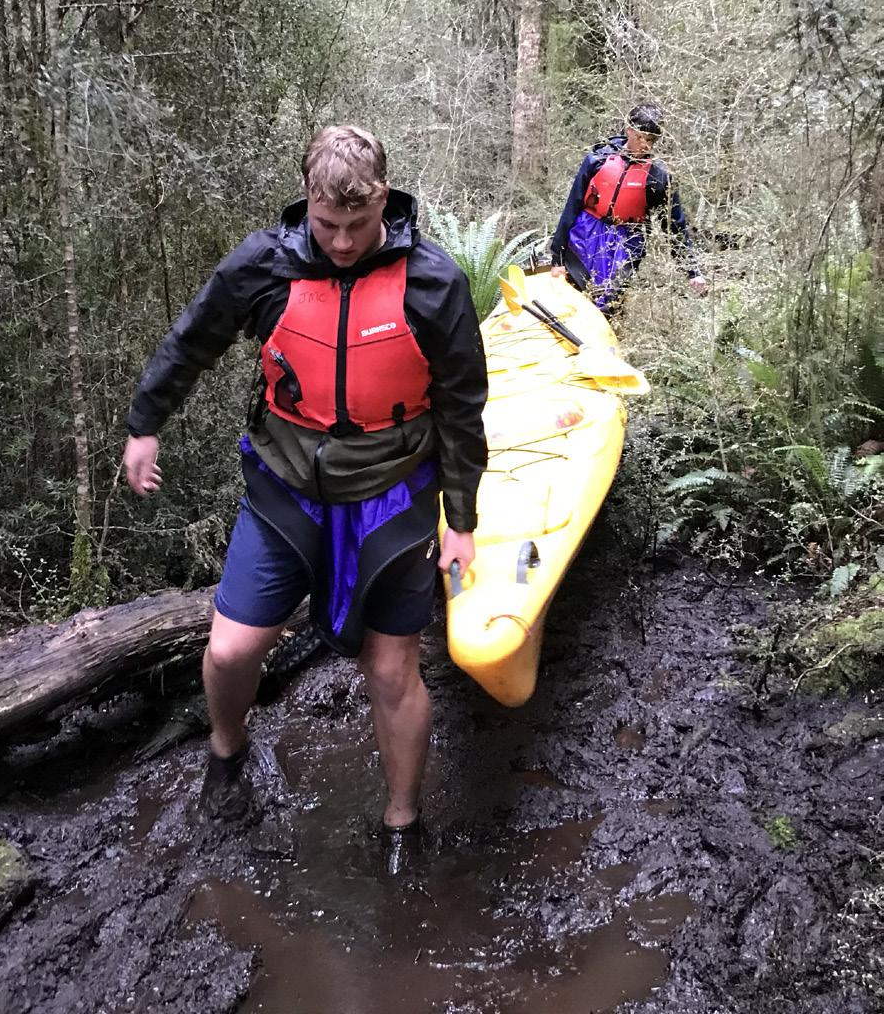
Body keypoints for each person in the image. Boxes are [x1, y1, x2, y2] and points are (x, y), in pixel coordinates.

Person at [123, 125, 488, 862]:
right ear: (306, 201)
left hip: (392, 495)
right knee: (231, 649)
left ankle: (402, 824)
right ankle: (227, 754)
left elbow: (461, 404)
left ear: (383, 199)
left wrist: (461, 520)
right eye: (327, 225)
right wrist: (145, 425)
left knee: (391, 670)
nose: (344, 242)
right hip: (285, 486)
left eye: (359, 224)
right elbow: (193, 339)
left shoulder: (433, 283)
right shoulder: (264, 266)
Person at [549, 102, 708, 315]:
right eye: (640, 137)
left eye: (650, 140)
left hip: (626, 243)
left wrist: (692, 271)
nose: (645, 145)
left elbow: (674, 227)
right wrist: (557, 257)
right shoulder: (598, 159)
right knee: (573, 294)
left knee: (608, 305)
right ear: (629, 130)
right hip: (586, 233)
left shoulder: (658, 177)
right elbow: (572, 206)